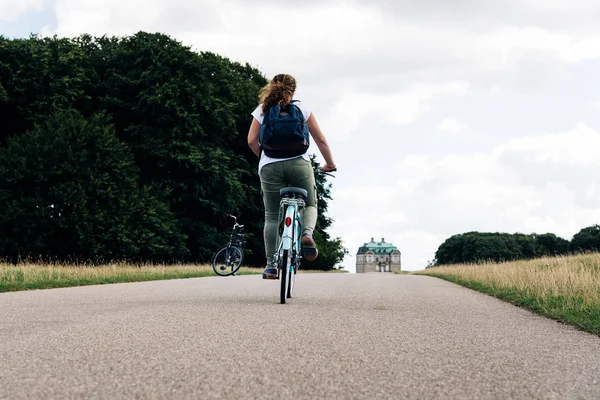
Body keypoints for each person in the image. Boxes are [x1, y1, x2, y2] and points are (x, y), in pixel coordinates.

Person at [247, 74, 336, 279]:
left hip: (269, 165)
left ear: (271, 87)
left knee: (271, 216)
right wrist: (329, 164)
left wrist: (265, 157)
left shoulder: (263, 109)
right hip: (299, 164)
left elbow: (251, 141)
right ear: (293, 90)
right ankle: (306, 233)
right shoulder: (301, 108)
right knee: (311, 204)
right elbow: (321, 140)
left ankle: (270, 266)